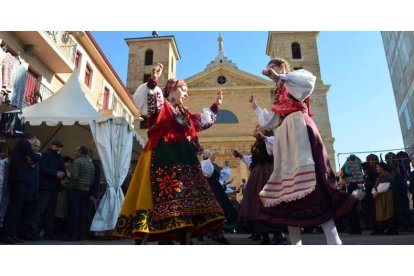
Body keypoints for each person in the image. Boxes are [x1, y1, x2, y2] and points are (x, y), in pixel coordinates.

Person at [113, 63, 226, 244]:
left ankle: (181, 233)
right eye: (184, 89)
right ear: (172, 90)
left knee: (183, 196)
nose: (186, 94)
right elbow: (151, 103)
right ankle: (161, 234)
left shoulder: (183, 113)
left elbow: (200, 122)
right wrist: (153, 81)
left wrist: (215, 106)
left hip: (183, 159)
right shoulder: (161, 105)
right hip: (162, 154)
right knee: (163, 191)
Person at [251, 57, 358, 245]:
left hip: (300, 128)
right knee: (288, 188)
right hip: (286, 133)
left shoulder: (295, 78)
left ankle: (334, 241)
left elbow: (309, 82)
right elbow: (273, 120)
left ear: (282, 66)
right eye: (268, 71)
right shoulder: (278, 90)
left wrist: (281, 76)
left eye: (272, 69)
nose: (269, 73)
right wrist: (256, 108)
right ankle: (295, 244)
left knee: (313, 181)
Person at [233, 126, 287, 245]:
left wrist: (264, 138)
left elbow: (276, 150)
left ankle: (279, 236)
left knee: (271, 201)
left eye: (260, 128)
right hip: (257, 173)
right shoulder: (257, 143)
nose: (257, 129)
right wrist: (241, 155)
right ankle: (265, 236)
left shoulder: (272, 139)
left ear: (266, 131)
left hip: (269, 172)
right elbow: (253, 161)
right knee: (256, 203)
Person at [0, 133, 41, 244]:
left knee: (16, 208)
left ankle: (11, 234)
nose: (34, 143)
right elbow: (35, 157)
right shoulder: (24, 143)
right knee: (14, 208)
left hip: (19, 180)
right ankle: (7, 234)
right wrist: (38, 156)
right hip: (19, 180)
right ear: (31, 139)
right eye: (34, 140)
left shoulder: (20, 145)